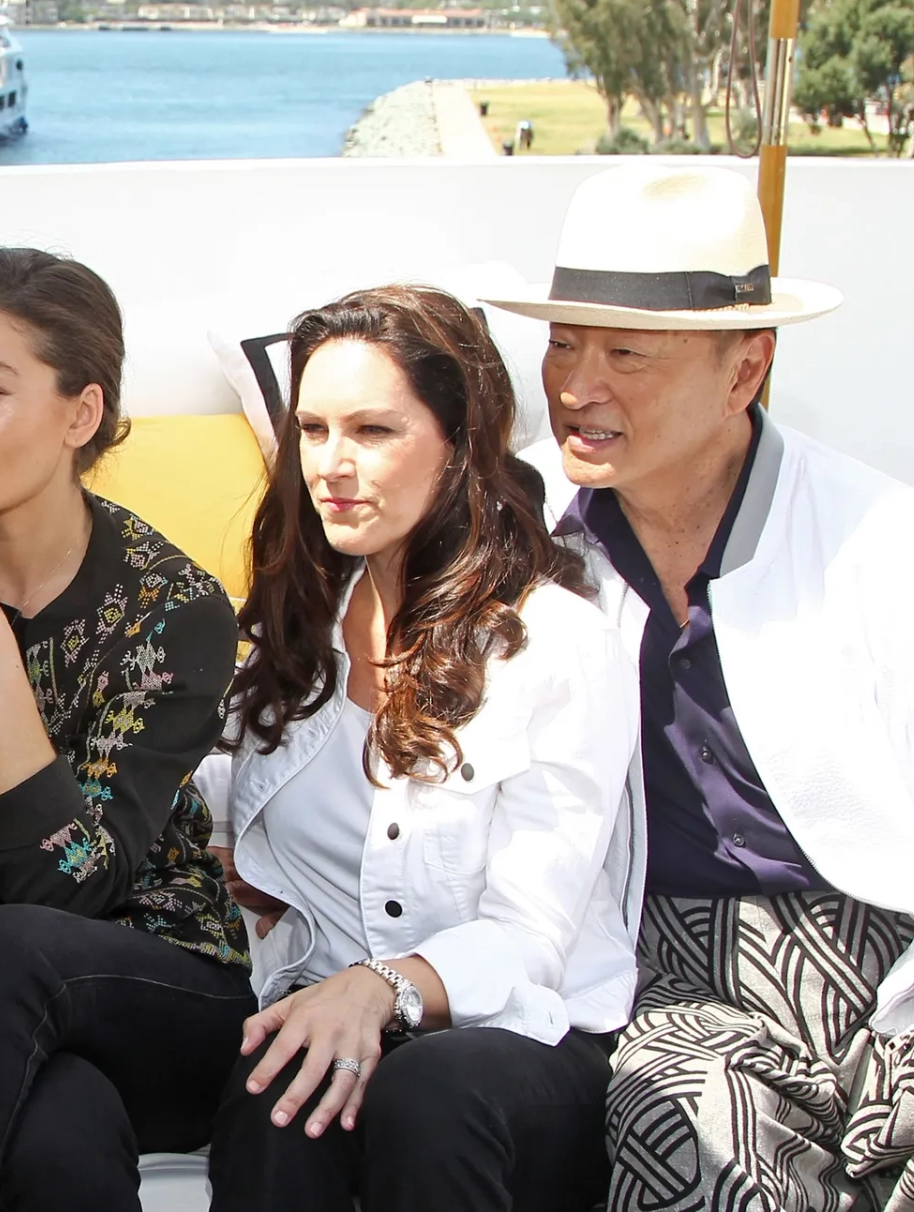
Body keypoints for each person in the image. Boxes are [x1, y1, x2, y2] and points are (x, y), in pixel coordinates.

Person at [484, 161, 914, 1209]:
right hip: (669, 964)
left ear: (744, 372)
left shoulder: (883, 540)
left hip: (895, 945)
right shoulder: (509, 528)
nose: (576, 384)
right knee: (677, 1119)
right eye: (562, 343)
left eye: (625, 353)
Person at [202, 284, 640, 1212]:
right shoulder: (307, 620)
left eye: (372, 431)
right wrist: (228, 847)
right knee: (272, 1088)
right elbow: (235, 803)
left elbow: (533, 943)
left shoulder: (555, 641)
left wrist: (384, 986)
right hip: (342, 1014)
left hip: (521, 1046)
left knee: (426, 1091)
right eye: (312, 431)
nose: (332, 465)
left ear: (459, 446)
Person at [0, 248, 253, 1212]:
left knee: (4, 945)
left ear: (81, 415)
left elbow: (63, 888)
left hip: (164, 984)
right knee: (57, 1138)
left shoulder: (173, 610)